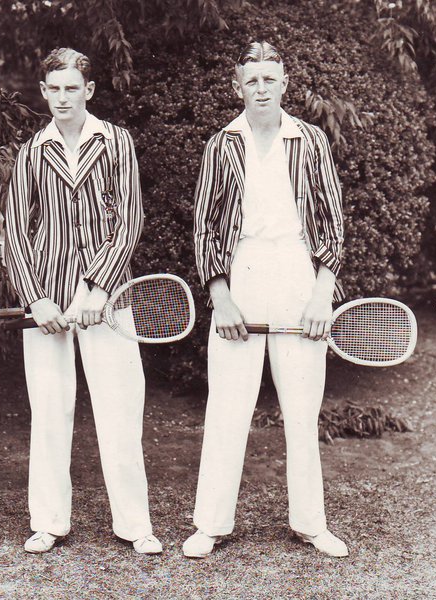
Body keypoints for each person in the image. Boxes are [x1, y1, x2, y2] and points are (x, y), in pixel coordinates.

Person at [184, 41, 348, 559]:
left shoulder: (311, 141)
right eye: (250, 80)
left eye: (269, 79)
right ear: (237, 86)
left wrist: (322, 293)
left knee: (302, 409)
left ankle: (310, 523)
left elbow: (332, 225)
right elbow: (206, 228)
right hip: (243, 273)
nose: (260, 88)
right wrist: (221, 297)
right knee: (228, 407)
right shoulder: (221, 144)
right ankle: (210, 524)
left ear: (284, 84)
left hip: (299, 273)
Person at [3, 48, 160, 555]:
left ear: (88, 91)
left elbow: (129, 220)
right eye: (55, 89)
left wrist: (99, 287)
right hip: (47, 299)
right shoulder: (31, 151)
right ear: (43, 92)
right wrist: (37, 299)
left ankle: (135, 525)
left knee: (119, 408)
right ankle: (49, 521)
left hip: (107, 297)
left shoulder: (116, 141)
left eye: (73, 88)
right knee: (49, 412)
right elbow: (14, 234)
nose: (63, 97)